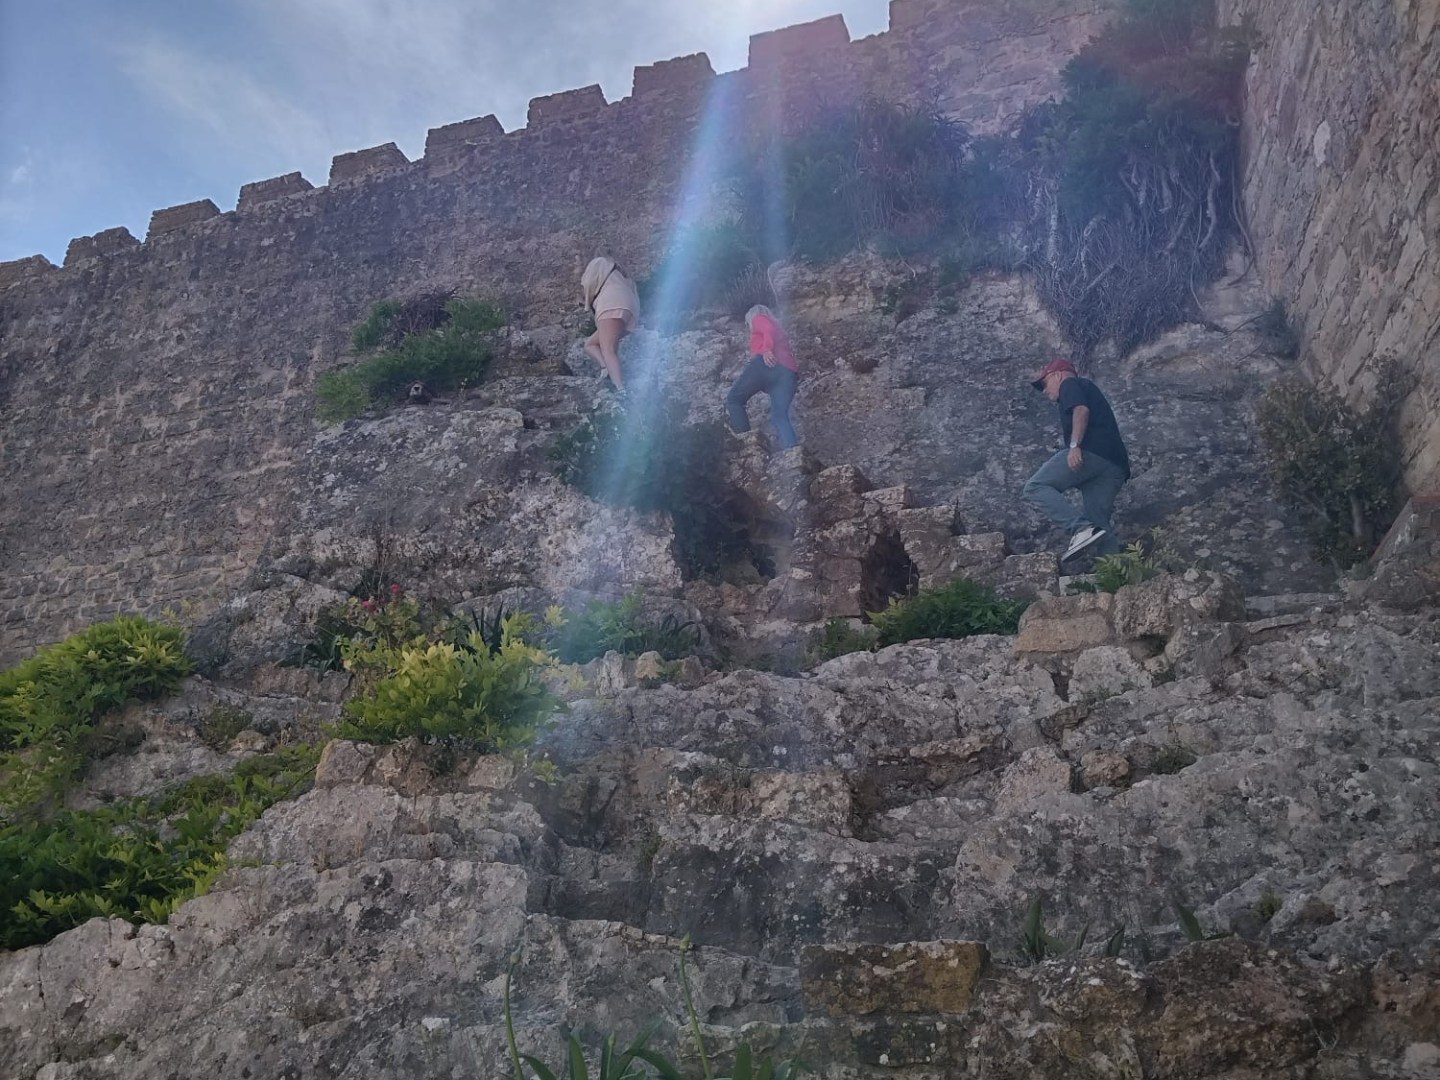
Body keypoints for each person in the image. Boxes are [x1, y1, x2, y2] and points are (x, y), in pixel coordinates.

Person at [1022, 357, 1131, 561]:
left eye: (1044, 385)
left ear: (1057, 375)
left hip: (1092, 453)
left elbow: (1081, 410)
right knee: (1099, 524)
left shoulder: (1070, 384)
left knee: (1035, 487)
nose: (1045, 391)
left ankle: (1079, 529)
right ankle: (1115, 579)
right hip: (1115, 466)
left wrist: (1075, 446)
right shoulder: (1087, 388)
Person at [725, 305, 799, 449]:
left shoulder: (759, 318)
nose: (749, 327)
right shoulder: (780, 330)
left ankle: (746, 445)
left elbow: (767, 330)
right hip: (789, 375)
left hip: (766, 365)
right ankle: (793, 451)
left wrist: (766, 350)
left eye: (748, 323)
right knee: (779, 416)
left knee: (734, 399)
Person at [581, 256, 641, 391]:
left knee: (608, 350)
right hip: (628, 308)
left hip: (610, 305)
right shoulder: (619, 276)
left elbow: (589, 282)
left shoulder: (599, 266)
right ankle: (605, 368)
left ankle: (619, 388)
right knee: (590, 344)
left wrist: (587, 301)